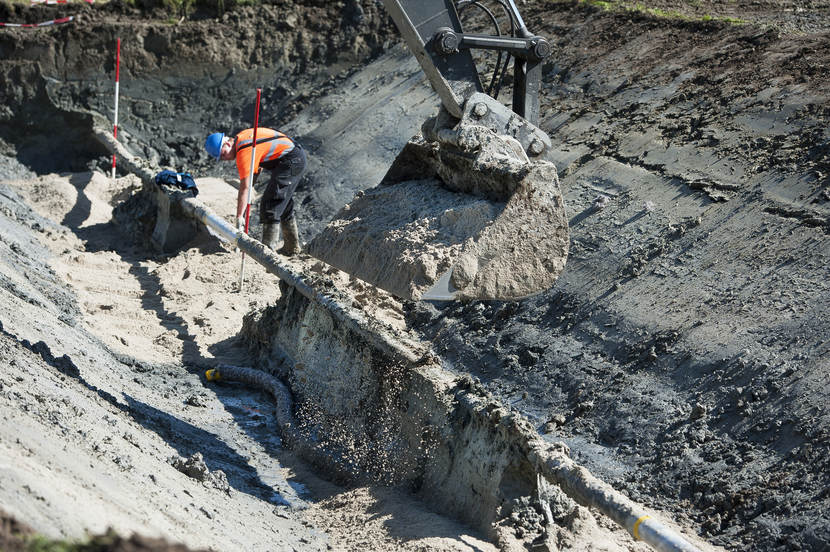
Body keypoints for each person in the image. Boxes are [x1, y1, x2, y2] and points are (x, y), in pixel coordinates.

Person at [204, 127, 307, 255]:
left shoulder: (244, 151)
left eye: (223, 153)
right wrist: (249, 188)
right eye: (221, 157)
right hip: (291, 157)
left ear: (227, 143)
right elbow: (256, 169)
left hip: (292, 160)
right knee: (283, 203)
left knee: (271, 203)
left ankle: (267, 254)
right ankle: (292, 248)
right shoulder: (242, 138)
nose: (224, 158)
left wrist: (239, 216)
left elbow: (244, 187)